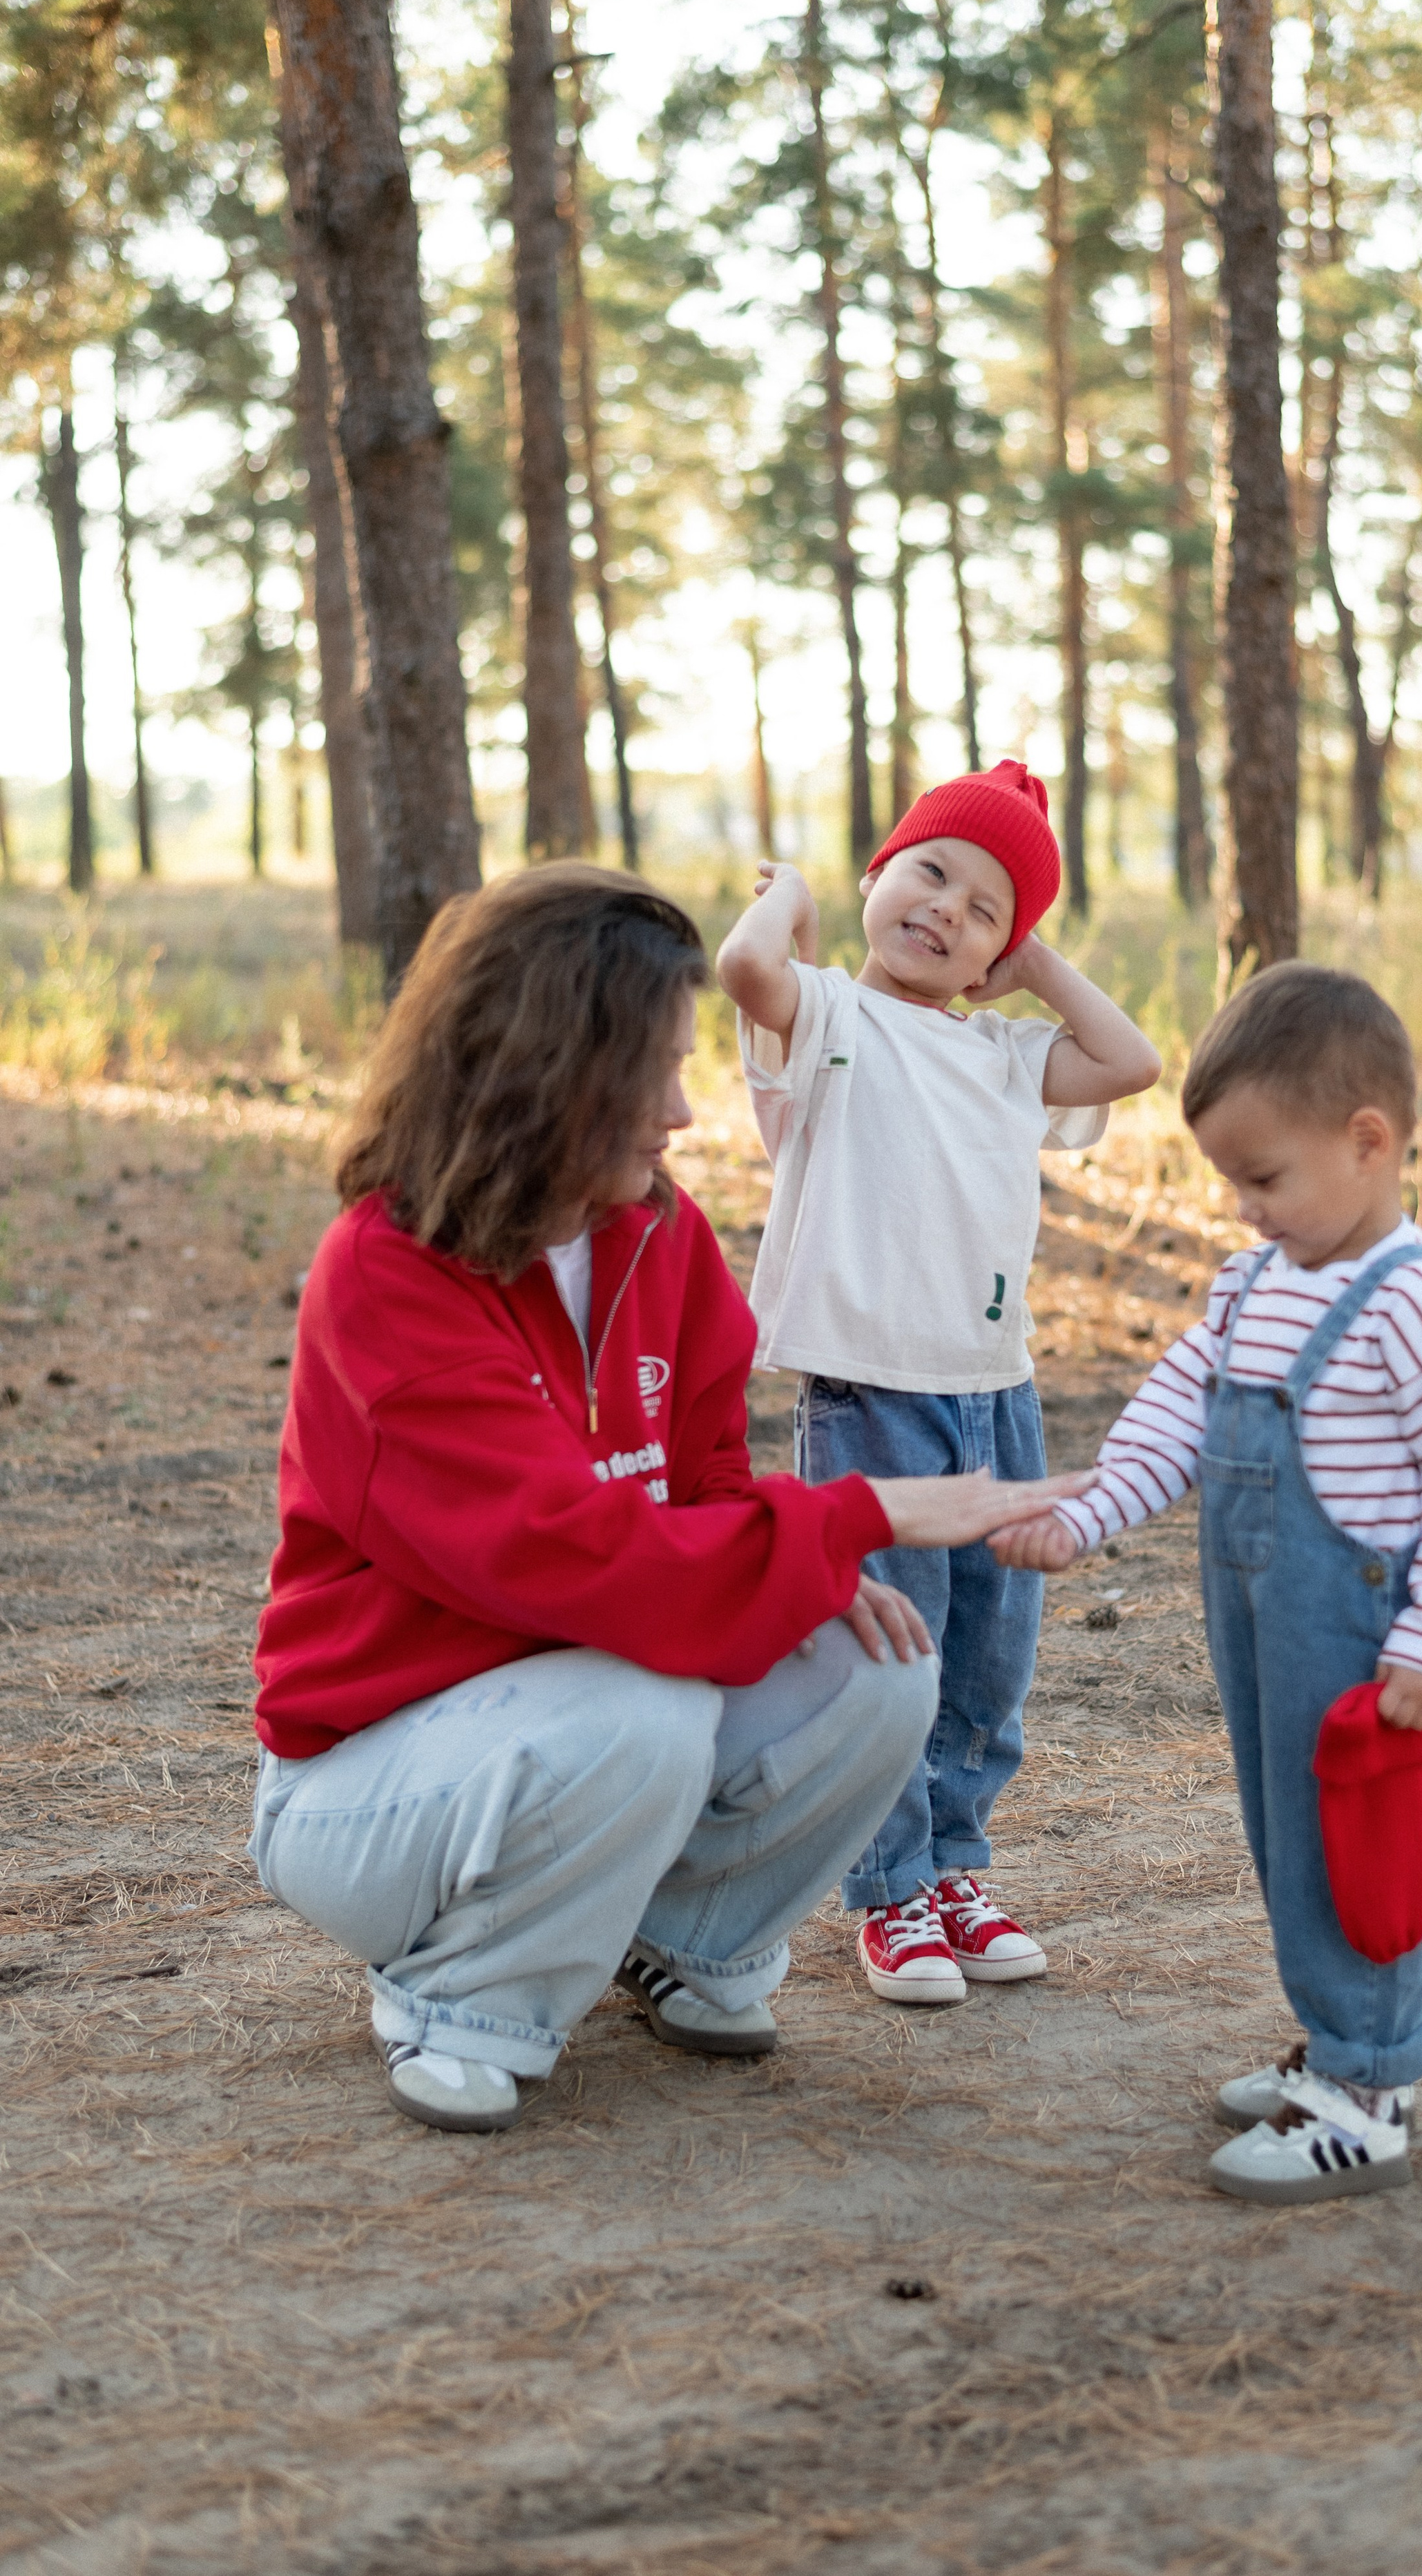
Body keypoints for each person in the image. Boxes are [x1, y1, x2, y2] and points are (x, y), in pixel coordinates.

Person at [250, 866, 1088, 2135]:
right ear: (548, 1070)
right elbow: (571, 1557)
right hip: (368, 1788)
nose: (686, 1114)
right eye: (653, 1073)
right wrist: (868, 1515)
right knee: (643, 1708)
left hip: (583, 1717)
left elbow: (700, 1496)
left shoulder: (658, 1232)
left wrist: (815, 1570)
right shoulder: (385, 1276)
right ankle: (463, 1993)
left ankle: (687, 1947)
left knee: (877, 1662)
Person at [991, 963, 1422, 2202]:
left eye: (1264, 1179)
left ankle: (1367, 2088)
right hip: (1262, 1616)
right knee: (1288, 1829)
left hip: (1363, 1627)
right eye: (1232, 1182)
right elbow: (1176, 1413)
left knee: (1361, 1843)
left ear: (1367, 1143)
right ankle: (1343, 2042)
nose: (1246, 1208)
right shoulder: (1257, 1282)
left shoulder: (1416, 1301)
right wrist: (1089, 1514)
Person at [716, 762, 1161, 2006]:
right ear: (879, 874)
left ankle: (958, 1863)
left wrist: (1036, 967)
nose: (947, 912)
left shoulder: (1012, 1056)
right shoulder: (824, 1018)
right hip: (871, 1394)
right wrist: (797, 898)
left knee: (987, 1658)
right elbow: (745, 971)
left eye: (985, 910)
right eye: (930, 873)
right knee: (887, 1652)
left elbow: (1129, 1064)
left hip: (993, 1392)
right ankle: (889, 1886)